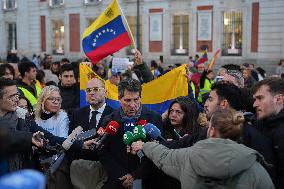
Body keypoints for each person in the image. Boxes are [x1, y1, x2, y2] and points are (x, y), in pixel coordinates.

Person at [131, 109, 275, 189]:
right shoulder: (255, 169)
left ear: (211, 131)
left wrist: (144, 145)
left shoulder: (188, 156)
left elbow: (163, 155)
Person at [0, 78, 94, 174]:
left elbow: (49, 137)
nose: (16, 99)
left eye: (17, 95)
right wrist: (29, 138)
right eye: (11, 97)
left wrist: (80, 144)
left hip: (22, 172)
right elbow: (7, 134)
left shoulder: (22, 116)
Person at [99, 78, 162, 189]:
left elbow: (159, 152)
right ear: (119, 98)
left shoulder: (154, 118)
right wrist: (122, 176)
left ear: (140, 98)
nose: (133, 105)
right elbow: (103, 152)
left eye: (136, 99)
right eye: (128, 100)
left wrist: (135, 176)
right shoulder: (109, 120)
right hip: (118, 179)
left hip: (147, 179)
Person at [69, 77, 113, 189]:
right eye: (88, 90)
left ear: (105, 92)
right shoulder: (77, 114)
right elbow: (70, 141)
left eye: (96, 89)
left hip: (106, 171)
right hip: (80, 172)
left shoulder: (114, 115)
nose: (91, 93)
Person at [252, 78, 284, 189]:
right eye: (255, 99)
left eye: (260, 98)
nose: (255, 104)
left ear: (278, 99)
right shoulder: (261, 124)